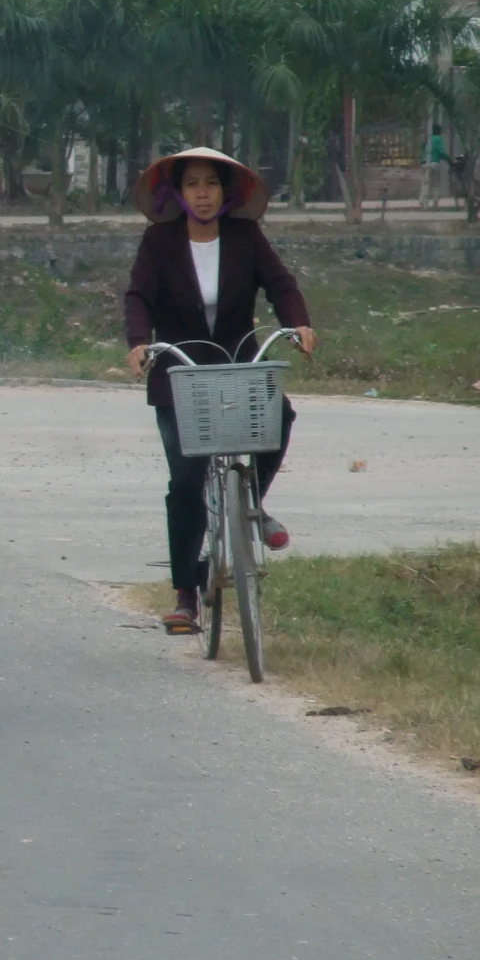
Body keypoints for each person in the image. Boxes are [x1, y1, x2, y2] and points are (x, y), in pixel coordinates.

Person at [122, 147, 317, 635]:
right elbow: (138, 297)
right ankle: (187, 595)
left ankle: (250, 502)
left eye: (211, 183)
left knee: (281, 417)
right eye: (193, 184)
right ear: (178, 192)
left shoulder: (245, 236)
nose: (203, 193)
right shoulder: (159, 242)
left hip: (237, 364)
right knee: (186, 478)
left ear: (226, 193)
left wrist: (299, 324)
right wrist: (138, 343)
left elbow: (280, 283)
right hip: (177, 370)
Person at [419, 122, 449, 209]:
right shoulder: (438, 139)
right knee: (436, 184)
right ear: (439, 131)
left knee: (425, 183)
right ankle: (435, 203)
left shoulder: (428, 139)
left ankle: (423, 202)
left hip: (424, 163)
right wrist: (450, 160)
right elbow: (441, 153)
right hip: (434, 163)